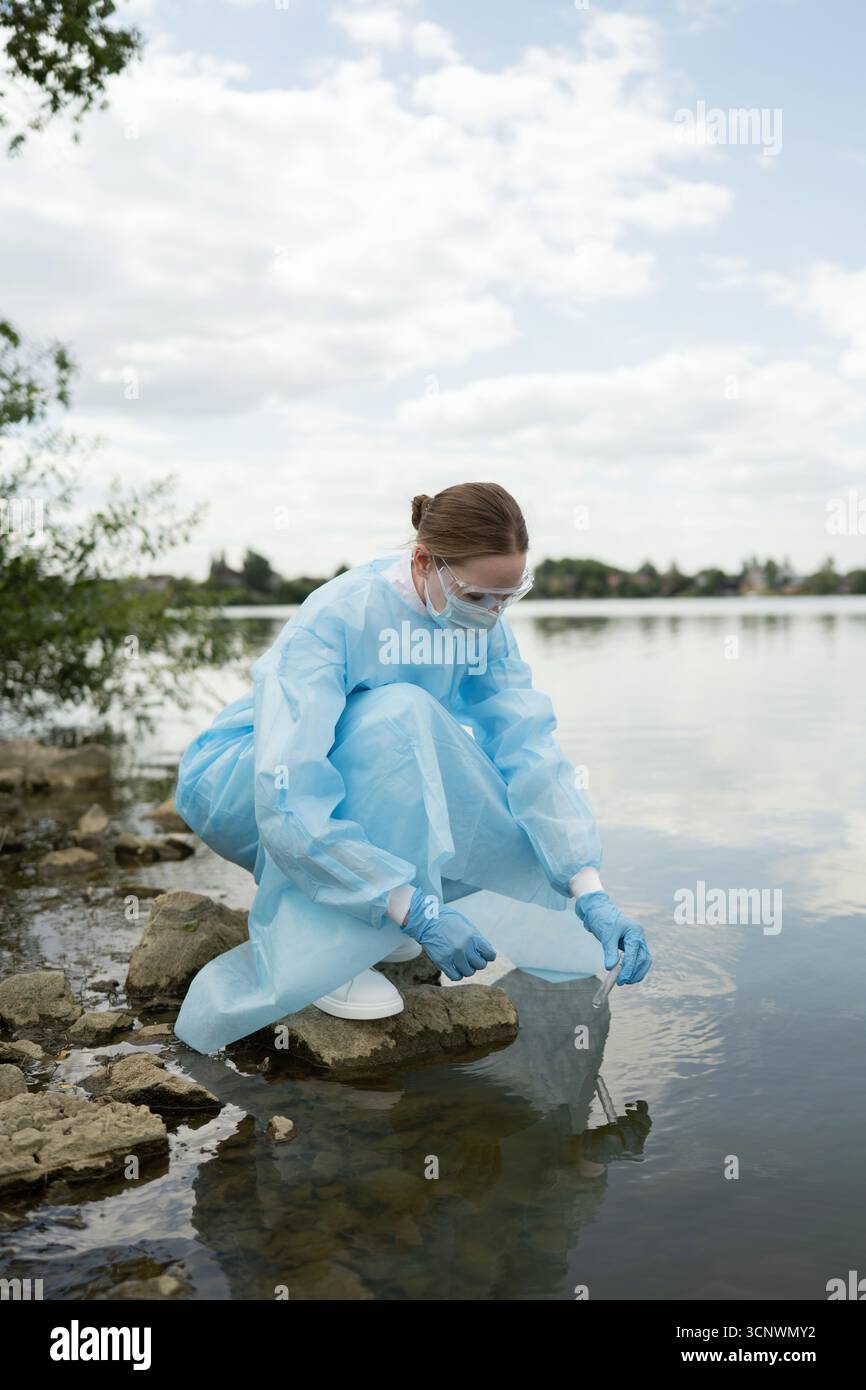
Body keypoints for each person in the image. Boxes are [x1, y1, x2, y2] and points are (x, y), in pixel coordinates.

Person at [173, 482, 651, 1055]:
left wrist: (587, 886)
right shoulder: (337, 617)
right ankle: (331, 943)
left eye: (508, 596)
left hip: (351, 765)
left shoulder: (479, 624)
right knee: (401, 714)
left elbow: (528, 748)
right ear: (424, 561)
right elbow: (288, 794)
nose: (494, 614)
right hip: (243, 782)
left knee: (467, 765)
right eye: (479, 595)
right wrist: (413, 909)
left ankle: (380, 910)